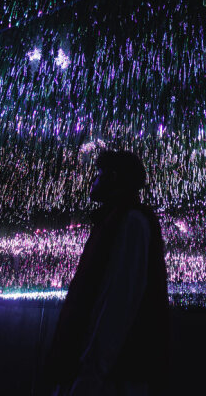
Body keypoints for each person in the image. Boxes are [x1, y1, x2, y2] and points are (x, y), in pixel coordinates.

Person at [43, 149, 170, 396]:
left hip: (112, 377)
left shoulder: (131, 222)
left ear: (113, 177)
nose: (93, 181)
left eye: (99, 174)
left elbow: (120, 299)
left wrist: (92, 372)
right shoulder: (113, 221)